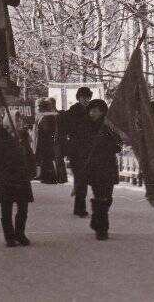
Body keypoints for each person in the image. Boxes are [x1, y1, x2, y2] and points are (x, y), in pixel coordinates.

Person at [81, 99, 123, 240]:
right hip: (94, 167)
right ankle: (102, 228)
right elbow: (80, 145)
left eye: (95, 110)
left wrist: (110, 145)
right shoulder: (86, 126)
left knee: (108, 198)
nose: (92, 113)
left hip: (108, 166)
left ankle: (95, 218)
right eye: (90, 110)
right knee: (100, 196)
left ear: (102, 112)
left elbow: (119, 144)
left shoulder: (109, 126)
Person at [0, 110, 35, 247]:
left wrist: (32, 168)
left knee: (23, 208)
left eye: (20, 120)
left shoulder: (23, 136)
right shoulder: (2, 137)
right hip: (8, 177)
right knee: (6, 209)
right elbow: (0, 158)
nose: (19, 122)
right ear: (9, 121)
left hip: (22, 177)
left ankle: (20, 233)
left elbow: (29, 154)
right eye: (16, 120)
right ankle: (9, 236)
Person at [60, 86, 93, 216]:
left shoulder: (92, 111)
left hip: (88, 150)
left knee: (82, 179)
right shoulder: (72, 112)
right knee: (81, 179)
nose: (85, 100)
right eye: (83, 97)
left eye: (88, 97)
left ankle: (78, 207)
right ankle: (80, 208)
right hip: (76, 150)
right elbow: (66, 130)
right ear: (78, 98)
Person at [34, 97, 67, 184]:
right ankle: (52, 177)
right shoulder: (49, 115)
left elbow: (47, 131)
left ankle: (52, 177)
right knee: (51, 159)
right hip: (50, 141)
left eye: (38, 107)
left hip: (49, 141)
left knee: (51, 159)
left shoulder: (49, 116)